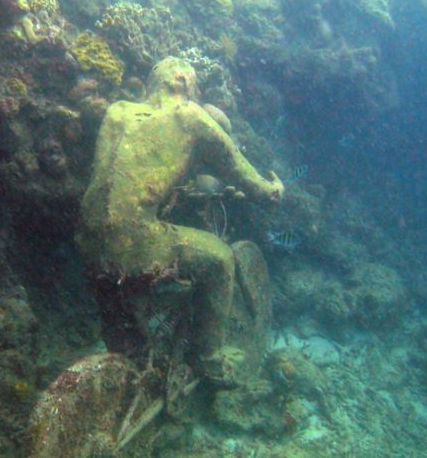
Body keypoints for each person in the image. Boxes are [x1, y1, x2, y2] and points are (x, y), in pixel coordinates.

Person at [76, 57, 283, 369]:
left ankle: (124, 359)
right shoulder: (190, 115)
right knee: (220, 260)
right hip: (135, 239)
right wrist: (273, 191)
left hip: (88, 237)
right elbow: (246, 178)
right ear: (188, 85)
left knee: (114, 278)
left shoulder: (117, 111)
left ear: (152, 83)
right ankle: (209, 359)